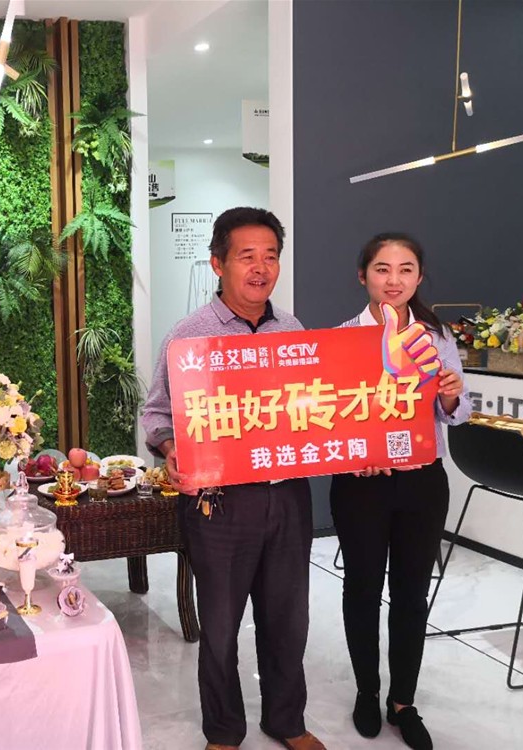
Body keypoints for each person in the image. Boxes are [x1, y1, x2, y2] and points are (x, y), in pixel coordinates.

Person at [142, 207, 324, 750]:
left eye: (271, 256)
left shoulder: (293, 331)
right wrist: (171, 449)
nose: (261, 268)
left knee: (288, 618)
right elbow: (156, 413)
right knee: (220, 626)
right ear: (218, 263)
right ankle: (223, 729)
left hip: (287, 496)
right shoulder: (189, 335)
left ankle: (286, 721)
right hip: (219, 503)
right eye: (247, 256)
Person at [330, 233, 469, 750]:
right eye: (382, 269)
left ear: (419, 277)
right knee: (362, 589)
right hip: (361, 484)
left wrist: (450, 396)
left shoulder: (436, 337)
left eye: (406, 269)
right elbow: (329, 416)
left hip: (422, 481)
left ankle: (403, 702)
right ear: (362, 275)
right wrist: (354, 455)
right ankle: (367, 691)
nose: (394, 280)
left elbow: (458, 414)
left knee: (411, 594)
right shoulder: (342, 339)